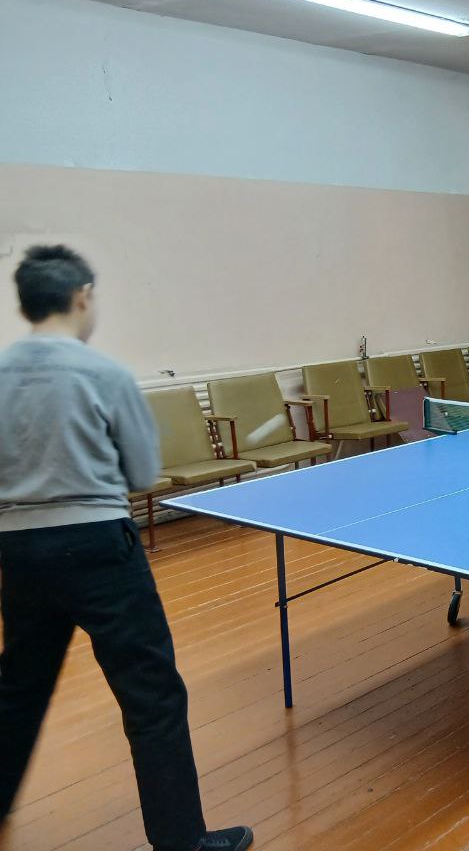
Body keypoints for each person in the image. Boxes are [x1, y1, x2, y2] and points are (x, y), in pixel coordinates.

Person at [0, 246, 252, 851]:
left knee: (19, 689)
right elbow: (141, 473)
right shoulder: (104, 374)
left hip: (18, 549)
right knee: (150, 693)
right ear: (82, 296)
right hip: (98, 547)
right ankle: (181, 840)